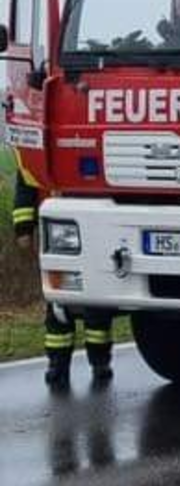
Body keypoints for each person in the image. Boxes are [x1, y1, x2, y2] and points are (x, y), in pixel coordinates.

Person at [12, 155, 115, 387]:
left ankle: (100, 362)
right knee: (57, 305)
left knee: (95, 304)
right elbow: (24, 190)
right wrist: (23, 228)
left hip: (90, 231)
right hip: (56, 235)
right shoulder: (33, 158)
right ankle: (58, 364)